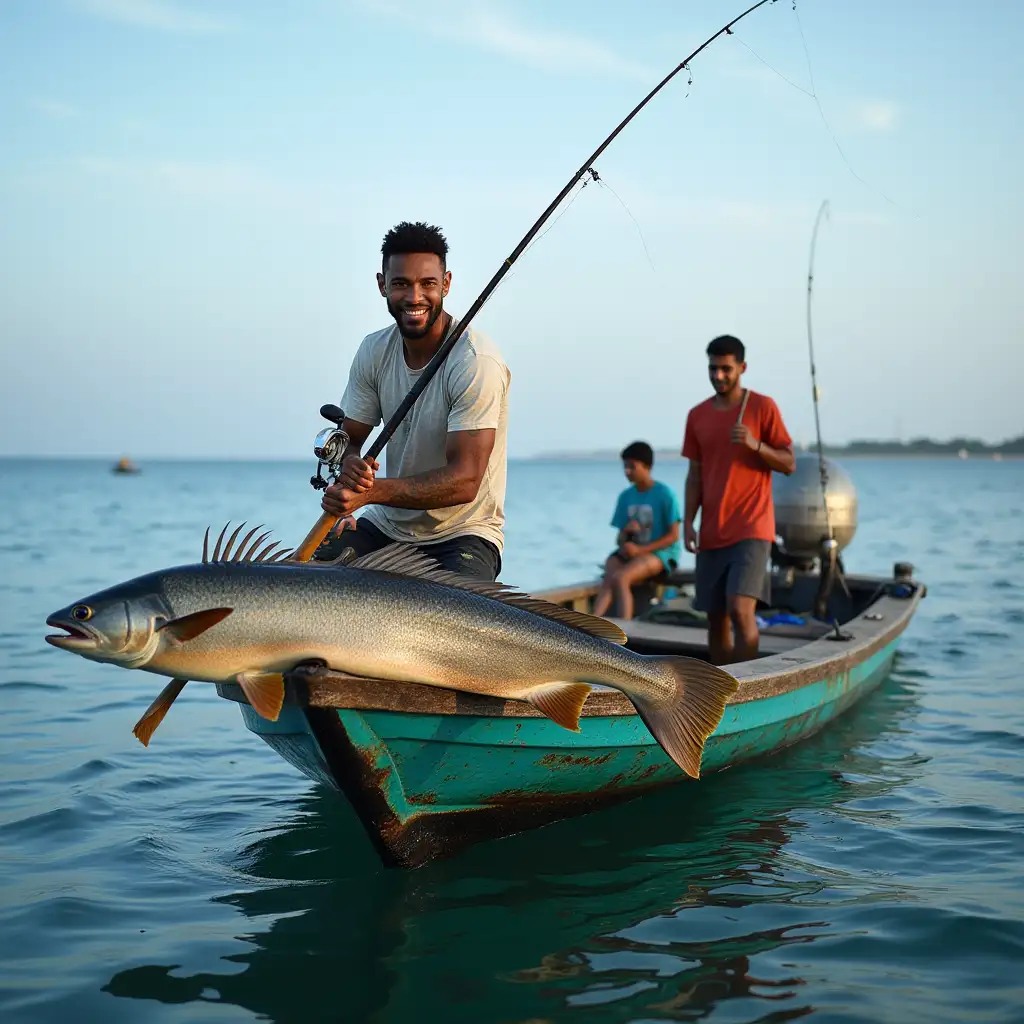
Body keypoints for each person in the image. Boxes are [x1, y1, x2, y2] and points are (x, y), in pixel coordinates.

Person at [313, 221, 511, 581]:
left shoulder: (475, 360)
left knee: (456, 618)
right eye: (401, 283)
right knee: (313, 580)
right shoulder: (373, 350)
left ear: (446, 284)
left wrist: (370, 493)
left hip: (463, 532)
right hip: (386, 524)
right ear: (382, 285)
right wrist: (351, 468)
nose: (414, 297)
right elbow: (350, 441)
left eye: (428, 284)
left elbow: (465, 480)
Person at [682, 335, 795, 664]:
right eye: (713, 368)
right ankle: (721, 682)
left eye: (726, 369)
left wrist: (755, 445)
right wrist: (689, 522)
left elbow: (789, 463)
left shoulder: (762, 407)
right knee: (715, 617)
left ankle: (746, 683)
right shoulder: (697, 415)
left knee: (739, 608)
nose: (719, 376)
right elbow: (695, 475)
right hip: (712, 531)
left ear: (742, 368)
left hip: (752, 529)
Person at [593, 441, 682, 621]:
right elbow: (619, 540)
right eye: (625, 466)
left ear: (646, 467)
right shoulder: (625, 497)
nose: (627, 471)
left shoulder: (665, 495)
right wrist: (626, 534)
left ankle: (623, 632)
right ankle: (591, 626)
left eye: (632, 467)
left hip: (661, 554)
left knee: (622, 578)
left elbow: (674, 536)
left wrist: (641, 550)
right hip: (633, 552)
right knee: (610, 574)